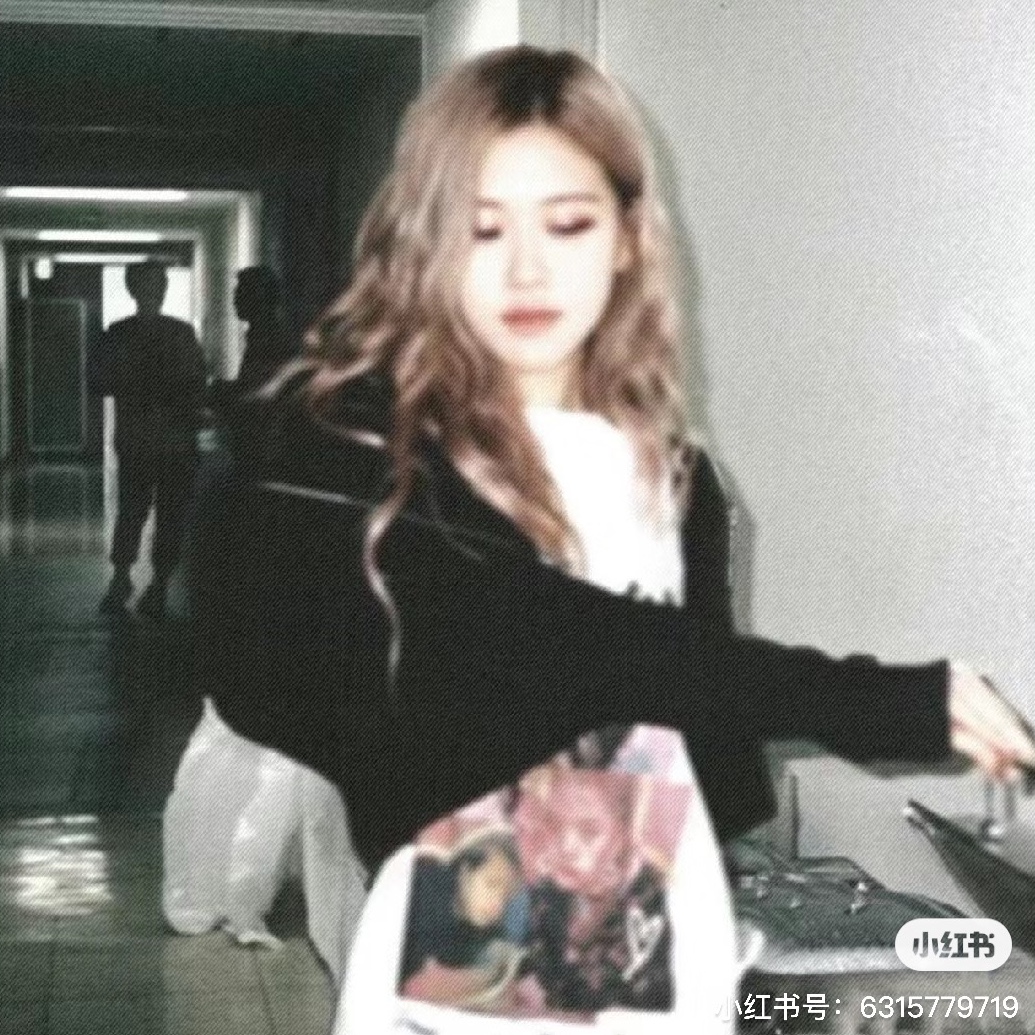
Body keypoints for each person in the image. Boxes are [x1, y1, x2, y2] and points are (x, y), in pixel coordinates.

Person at [187, 47, 1035, 1034]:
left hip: (652, 931)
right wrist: (878, 701)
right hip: (475, 943)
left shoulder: (670, 475)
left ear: (628, 238)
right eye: (483, 227)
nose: (528, 267)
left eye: (568, 222)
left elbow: (677, 693)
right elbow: (567, 653)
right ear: (426, 247)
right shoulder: (364, 453)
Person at [88, 259, 206, 619]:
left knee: (155, 512)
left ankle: (147, 582)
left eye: (161, 283)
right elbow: (99, 381)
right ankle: (135, 579)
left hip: (156, 439)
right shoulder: (169, 333)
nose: (158, 290)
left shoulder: (128, 333)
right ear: (134, 289)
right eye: (153, 283)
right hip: (154, 439)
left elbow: (194, 383)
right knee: (140, 511)